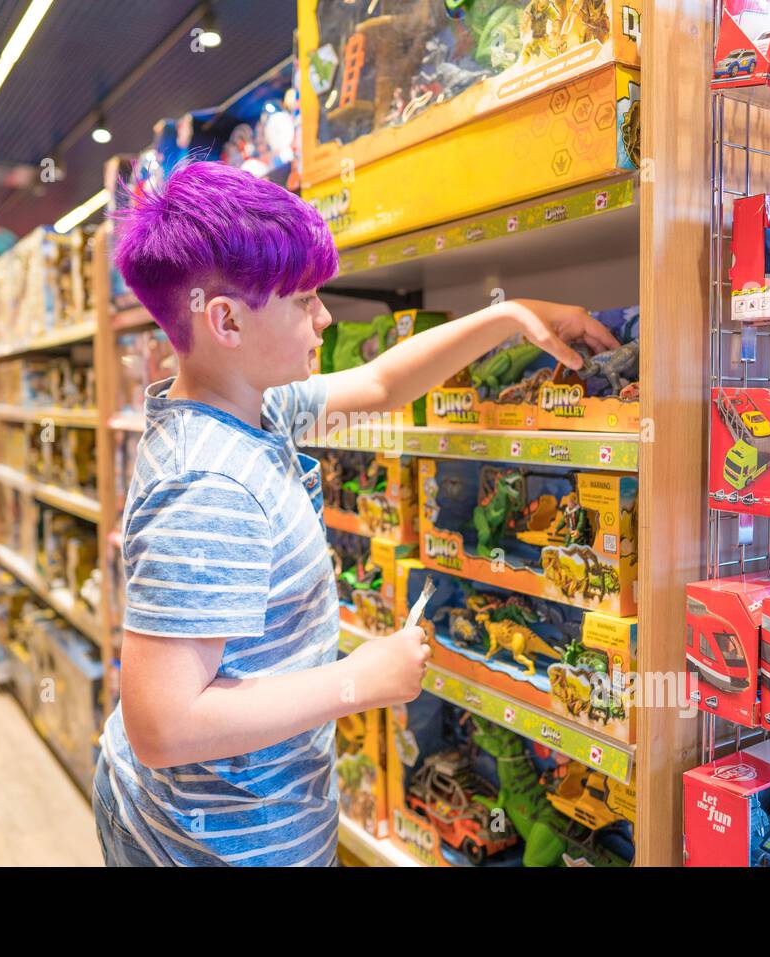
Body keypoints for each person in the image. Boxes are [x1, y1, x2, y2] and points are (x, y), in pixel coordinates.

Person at [92, 161, 619, 866]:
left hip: (247, 816)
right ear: (225, 320)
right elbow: (162, 723)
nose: (326, 316)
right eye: (305, 299)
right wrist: (359, 680)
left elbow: (381, 381)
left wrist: (508, 316)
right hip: (206, 846)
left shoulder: (253, 406)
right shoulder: (210, 481)